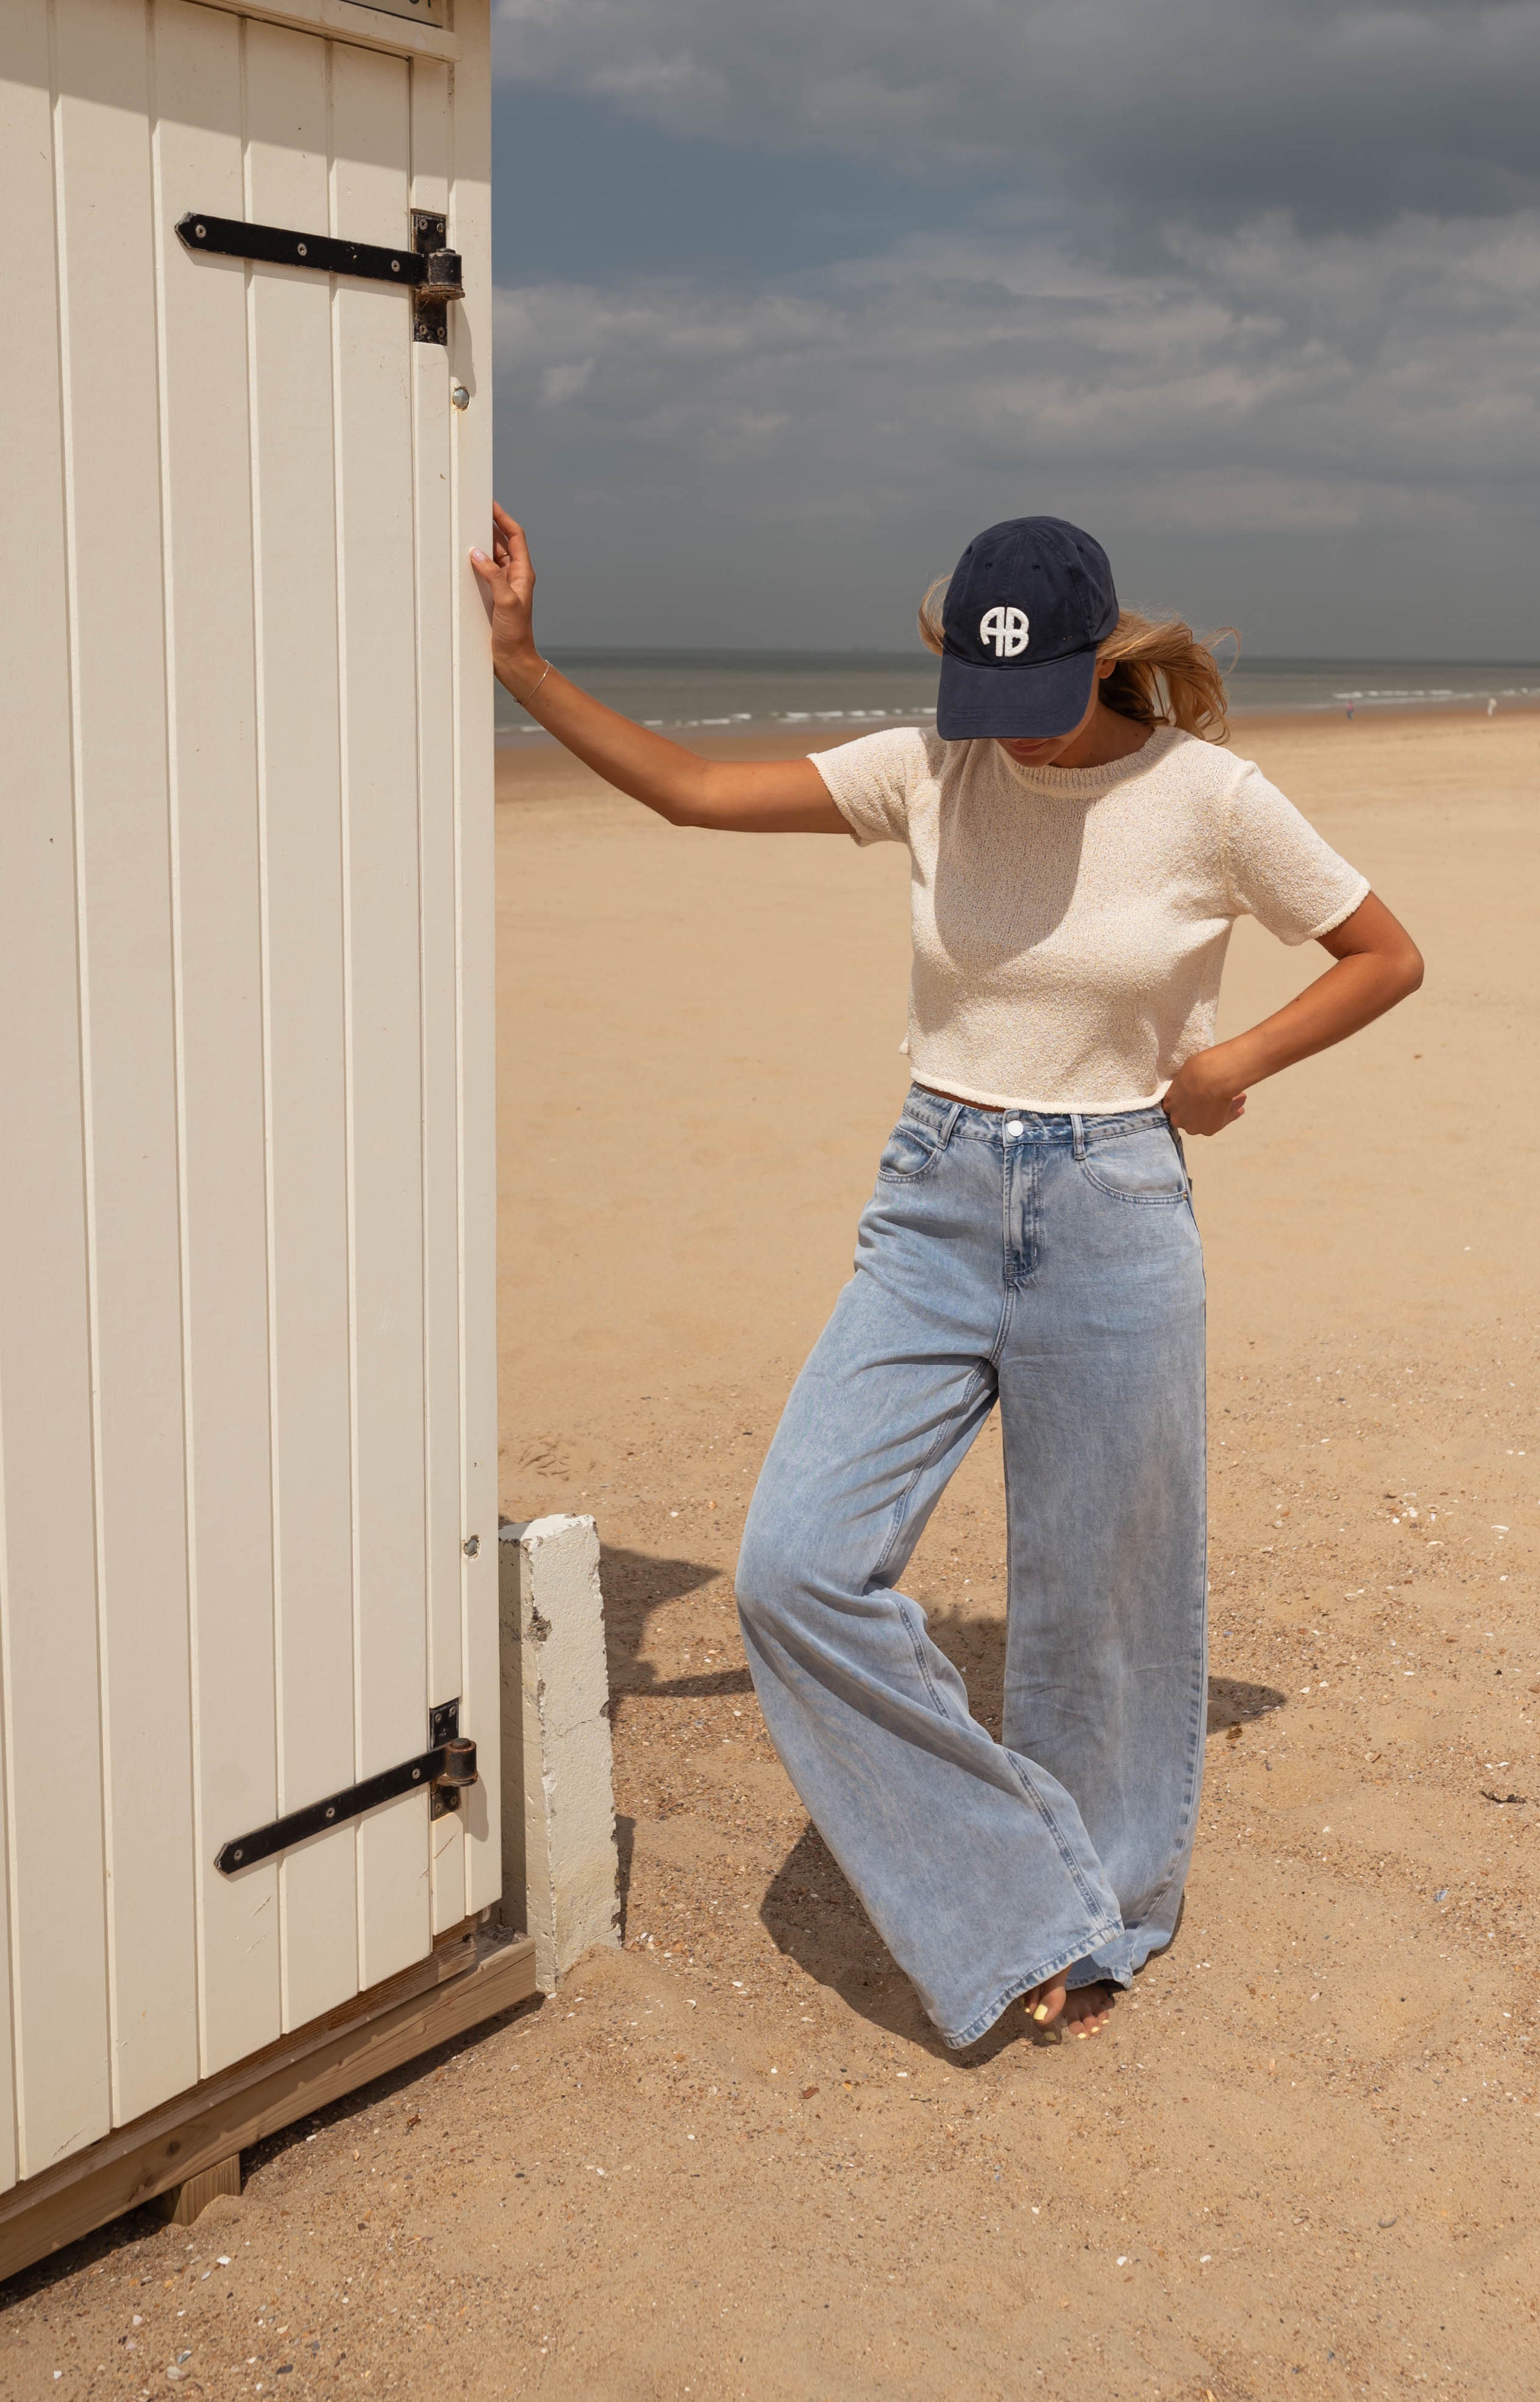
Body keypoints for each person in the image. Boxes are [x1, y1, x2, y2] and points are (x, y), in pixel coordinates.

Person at [471, 509, 1423, 2048]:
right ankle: (1019, 1895)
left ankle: (1097, 1920)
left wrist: (1233, 1061)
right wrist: (525, 665)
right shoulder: (933, 764)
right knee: (794, 1568)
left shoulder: (1211, 799)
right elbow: (698, 792)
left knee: (1101, 1606)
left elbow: (1384, 954)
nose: (1010, 738)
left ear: (1098, 657)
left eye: (1036, 698)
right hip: (932, 1199)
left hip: (1114, 1205)